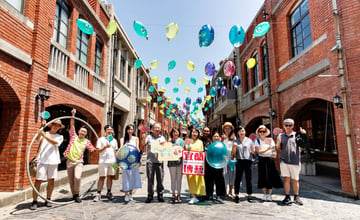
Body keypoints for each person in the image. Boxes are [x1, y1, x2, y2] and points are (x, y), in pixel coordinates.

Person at [63, 109, 97, 203]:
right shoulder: (73, 136)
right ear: (79, 131)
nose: (82, 133)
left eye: (84, 132)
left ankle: (77, 194)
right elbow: (72, 125)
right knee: (71, 180)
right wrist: (73, 115)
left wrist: (102, 148)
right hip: (69, 161)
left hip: (79, 162)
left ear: (86, 134)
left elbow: (93, 150)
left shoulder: (87, 141)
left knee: (77, 177)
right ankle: (74, 195)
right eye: (81, 131)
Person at [30, 119, 64, 210]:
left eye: (58, 126)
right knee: (38, 180)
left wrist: (44, 134)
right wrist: (41, 127)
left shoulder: (59, 136)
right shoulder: (44, 133)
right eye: (54, 124)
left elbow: (55, 143)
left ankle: (48, 199)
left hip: (53, 161)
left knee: (51, 181)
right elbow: (37, 139)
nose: (56, 126)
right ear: (51, 125)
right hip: (42, 160)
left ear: (59, 128)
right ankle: (34, 201)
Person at [276, 118, 307, 206]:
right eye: (286, 125)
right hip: (284, 161)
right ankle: (287, 196)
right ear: (283, 126)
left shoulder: (297, 135)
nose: (288, 127)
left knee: (295, 180)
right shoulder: (280, 136)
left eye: (290, 125)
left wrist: (304, 135)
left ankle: (296, 196)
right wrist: (277, 143)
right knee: (286, 179)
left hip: (295, 160)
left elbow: (304, 144)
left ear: (293, 126)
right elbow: (278, 149)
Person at [255, 125, 283, 202]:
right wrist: (267, 149)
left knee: (270, 176)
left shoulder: (269, 139)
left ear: (266, 132)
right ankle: (264, 194)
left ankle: (269, 195)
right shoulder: (257, 141)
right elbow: (259, 152)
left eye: (264, 131)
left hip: (269, 159)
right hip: (262, 159)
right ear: (258, 133)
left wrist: (274, 154)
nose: (262, 133)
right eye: (261, 131)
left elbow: (274, 149)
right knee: (262, 176)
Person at [93, 125, 118, 202]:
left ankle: (109, 192)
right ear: (105, 131)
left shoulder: (114, 140)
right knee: (102, 177)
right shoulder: (101, 139)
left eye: (111, 129)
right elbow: (97, 150)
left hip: (112, 161)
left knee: (110, 177)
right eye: (108, 129)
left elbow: (115, 151)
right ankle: (98, 193)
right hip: (103, 161)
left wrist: (116, 163)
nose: (110, 131)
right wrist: (104, 147)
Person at [232, 126, 255, 203]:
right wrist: (234, 147)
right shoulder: (236, 141)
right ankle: (236, 195)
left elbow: (252, 150)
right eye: (240, 131)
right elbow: (233, 153)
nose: (242, 132)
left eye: (243, 131)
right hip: (239, 161)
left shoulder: (249, 140)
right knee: (238, 178)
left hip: (248, 160)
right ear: (238, 133)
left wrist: (253, 152)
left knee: (249, 178)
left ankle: (249, 195)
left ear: (245, 132)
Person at [145, 122, 166, 203]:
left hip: (159, 161)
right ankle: (150, 195)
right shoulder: (149, 137)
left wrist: (164, 144)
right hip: (150, 161)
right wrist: (143, 137)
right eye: (155, 128)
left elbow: (166, 149)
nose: (157, 129)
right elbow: (144, 143)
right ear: (152, 129)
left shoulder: (163, 138)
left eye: (158, 128)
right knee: (150, 179)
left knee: (160, 179)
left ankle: (160, 195)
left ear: (160, 129)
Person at [120, 124, 142, 202]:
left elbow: (138, 149)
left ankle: (130, 193)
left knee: (132, 177)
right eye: (128, 129)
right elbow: (120, 151)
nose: (130, 131)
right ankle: (125, 194)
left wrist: (139, 160)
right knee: (125, 177)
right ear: (126, 130)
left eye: (131, 129)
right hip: (125, 161)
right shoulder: (122, 139)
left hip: (134, 161)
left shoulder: (136, 139)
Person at [185, 127, 206, 204]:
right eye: (193, 132)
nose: (194, 134)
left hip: (198, 164)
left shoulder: (200, 142)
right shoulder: (187, 140)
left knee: (199, 179)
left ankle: (198, 194)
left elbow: (202, 152)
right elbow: (185, 150)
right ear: (191, 133)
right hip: (189, 164)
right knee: (191, 179)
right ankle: (193, 196)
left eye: (196, 132)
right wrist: (188, 148)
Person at [204, 130, 226, 203]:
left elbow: (225, 154)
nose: (216, 137)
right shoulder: (208, 144)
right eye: (215, 136)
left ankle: (219, 195)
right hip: (209, 165)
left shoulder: (221, 145)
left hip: (219, 165)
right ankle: (209, 194)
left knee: (219, 180)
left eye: (217, 136)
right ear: (212, 137)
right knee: (209, 180)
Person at [168, 128, 185, 203]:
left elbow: (184, 150)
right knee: (173, 179)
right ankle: (173, 194)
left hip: (180, 162)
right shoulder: (169, 141)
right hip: (171, 163)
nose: (175, 133)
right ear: (172, 133)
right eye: (174, 132)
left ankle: (179, 194)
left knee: (179, 180)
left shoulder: (181, 141)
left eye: (177, 132)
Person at [222, 122, 236, 198]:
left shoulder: (234, 138)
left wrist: (233, 155)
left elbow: (235, 147)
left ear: (231, 129)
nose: (227, 130)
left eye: (229, 128)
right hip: (224, 157)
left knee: (232, 174)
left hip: (232, 156)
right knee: (224, 174)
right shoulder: (222, 138)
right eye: (225, 128)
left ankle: (230, 191)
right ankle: (225, 191)